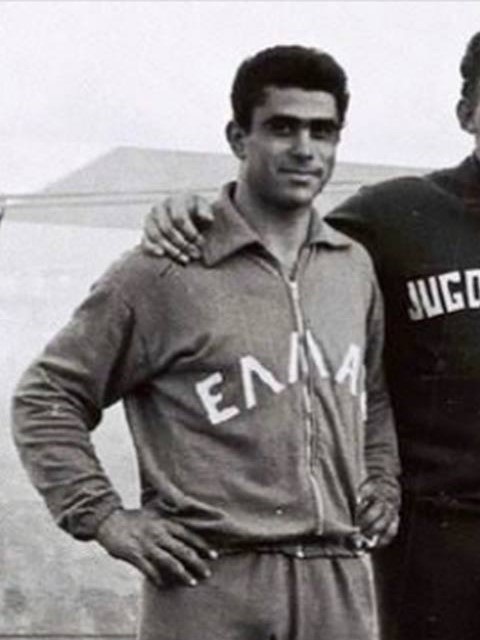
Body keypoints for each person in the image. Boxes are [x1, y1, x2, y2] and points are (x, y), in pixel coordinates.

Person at [11, 45, 400, 640]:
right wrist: (106, 518)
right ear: (239, 138)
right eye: (282, 128)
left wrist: (382, 480)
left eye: (322, 131)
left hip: (336, 579)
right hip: (210, 578)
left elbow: (372, 395)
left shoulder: (352, 266)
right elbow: (46, 396)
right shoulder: (163, 269)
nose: (304, 149)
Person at [143, 32, 480, 640]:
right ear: (467, 113)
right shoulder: (398, 213)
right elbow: (277, 235)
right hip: (439, 538)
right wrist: (189, 211)